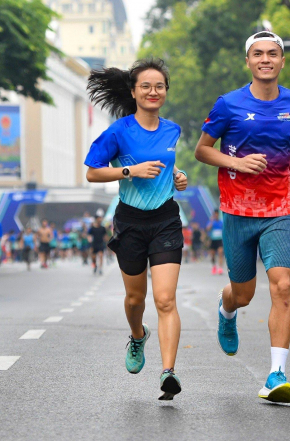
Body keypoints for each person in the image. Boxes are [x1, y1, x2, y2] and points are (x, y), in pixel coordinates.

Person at [194, 31, 290, 403]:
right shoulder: (227, 105)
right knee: (244, 295)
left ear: (281, 61)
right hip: (237, 210)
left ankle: (277, 374)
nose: (265, 59)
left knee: (283, 286)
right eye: (257, 54)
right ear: (247, 61)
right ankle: (227, 310)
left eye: (272, 54)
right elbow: (202, 151)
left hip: (280, 208)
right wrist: (237, 163)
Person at [84, 57, 188, 400]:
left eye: (159, 86)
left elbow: (167, 164)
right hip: (129, 221)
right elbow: (93, 172)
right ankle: (137, 335)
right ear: (134, 91)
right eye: (146, 86)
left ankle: (168, 372)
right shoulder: (118, 131)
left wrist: (177, 176)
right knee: (135, 298)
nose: (153, 91)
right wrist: (130, 171)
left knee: (165, 299)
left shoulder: (173, 130)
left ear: (165, 92)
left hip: (166, 220)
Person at [207, 211, 224, 276]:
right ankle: (214, 266)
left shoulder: (221, 222)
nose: (216, 216)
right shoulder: (211, 222)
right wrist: (211, 221)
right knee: (213, 255)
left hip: (219, 240)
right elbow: (207, 229)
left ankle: (220, 268)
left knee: (220, 252)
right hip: (213, 240)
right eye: (215, 215)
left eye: (217, 215)